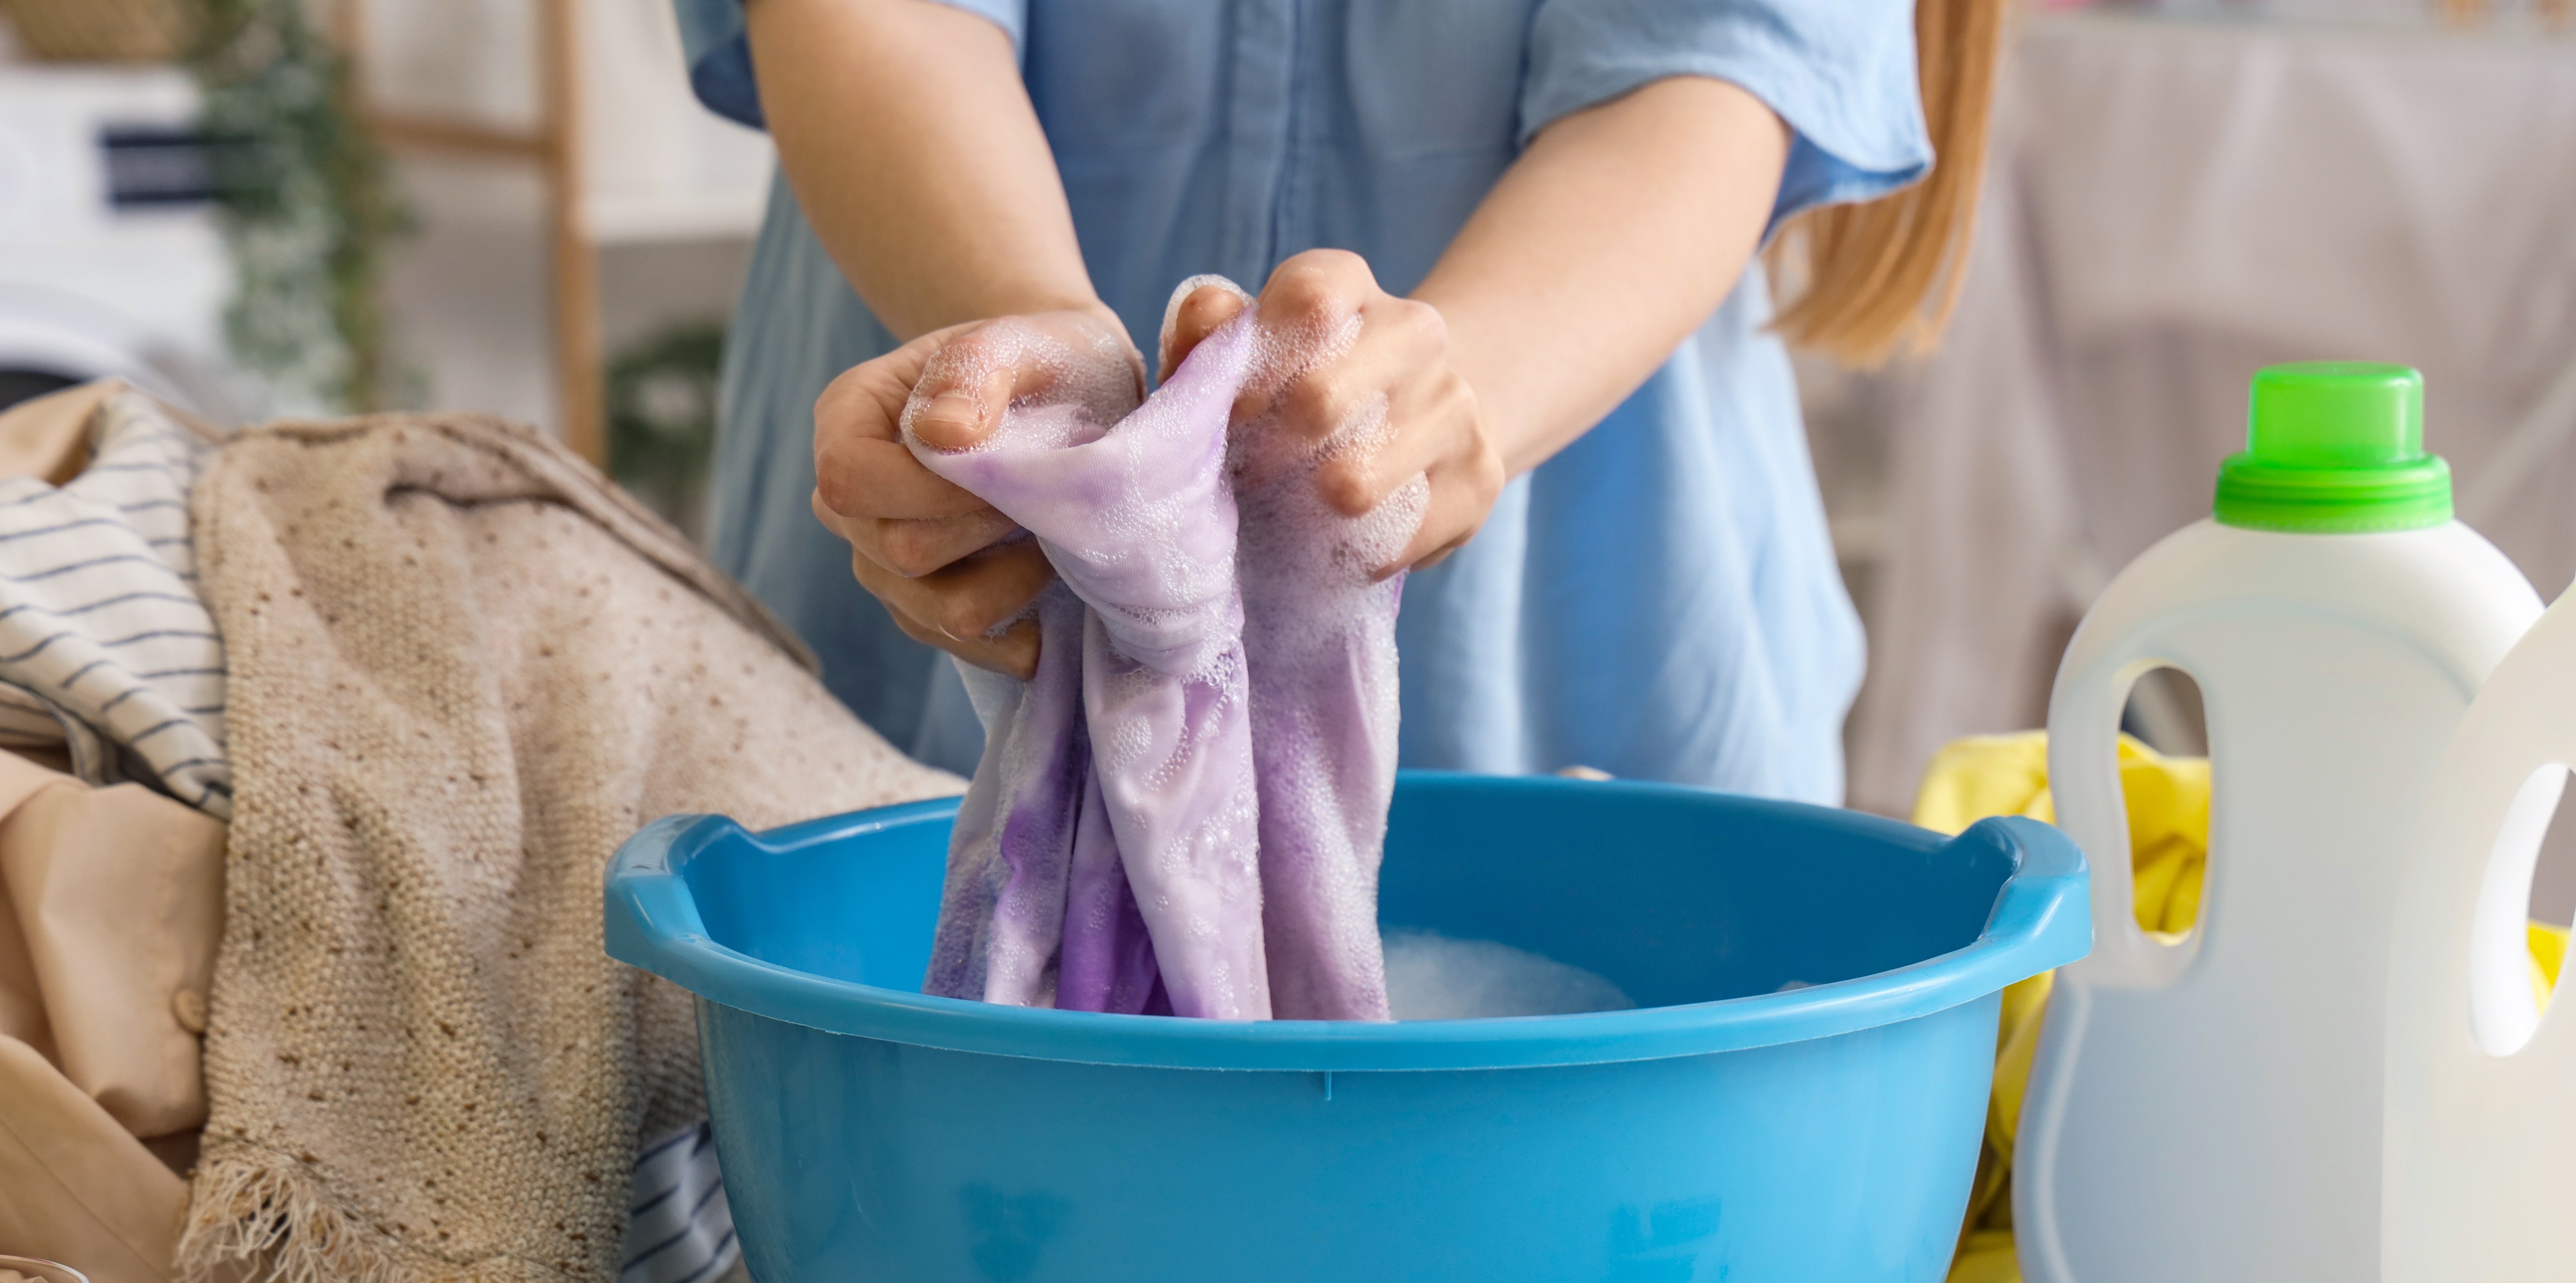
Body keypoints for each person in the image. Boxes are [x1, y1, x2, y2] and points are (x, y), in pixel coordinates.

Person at [673, 0, 2003, 799]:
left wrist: (1458, 392)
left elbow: (1711, 66)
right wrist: (1021, 344)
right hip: (913, 676)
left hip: (1584, 658)